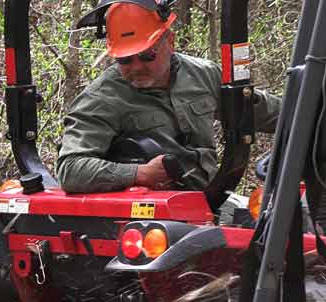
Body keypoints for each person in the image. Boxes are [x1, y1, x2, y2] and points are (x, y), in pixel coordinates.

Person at [57, 0, 281, 194]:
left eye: (147, 55)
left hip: (209, 199)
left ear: (170, 42)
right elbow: (70, 169)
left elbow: (268, 112)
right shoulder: (101, 99)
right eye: (125, 59)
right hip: (146, 216)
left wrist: (302, 116)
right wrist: (140, 174)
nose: (136, 67)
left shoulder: (204, 75)